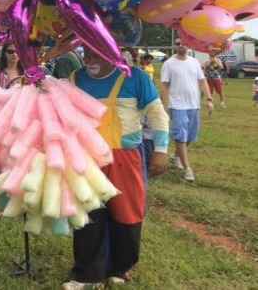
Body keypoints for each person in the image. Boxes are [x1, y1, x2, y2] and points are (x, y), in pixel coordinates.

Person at [63, 48, 169, 289]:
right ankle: (87, 274)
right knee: (88, 214)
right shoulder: (74, 79)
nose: (89, 59)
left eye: (95, 53)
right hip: (86, 158)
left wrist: (161, 150)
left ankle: (120, 267)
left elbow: (157, 114)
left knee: (127, 214)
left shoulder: (136, 77)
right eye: (86, 53)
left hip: (124, 157)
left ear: (110, 52)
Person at [160, 38, 212, 182]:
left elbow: (202, 81)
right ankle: (187, 168)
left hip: (194, 105)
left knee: (190, 136)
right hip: (177, 105)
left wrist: (209, 99)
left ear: (189, 45)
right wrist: (166, 105)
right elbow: (164, 85)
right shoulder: (169, 64)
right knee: (181, 136)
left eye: (184, 43)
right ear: (175, 46)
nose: (181, 45)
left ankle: (177, 155)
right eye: (178, 43)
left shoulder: (194, 62)